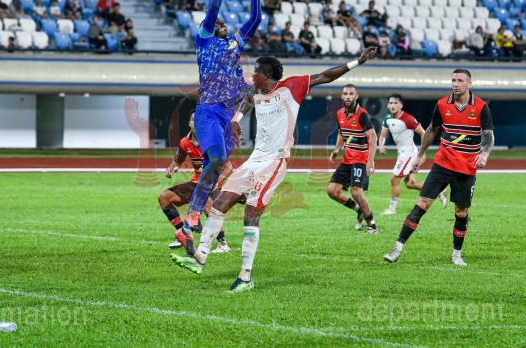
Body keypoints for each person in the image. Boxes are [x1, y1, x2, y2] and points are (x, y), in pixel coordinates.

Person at [171, 48, 378, 292]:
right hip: (255, 159)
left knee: (251, 214)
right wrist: (236, 120)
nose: (252, 75)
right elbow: (247, 100)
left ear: (266, 75)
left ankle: (245, 277)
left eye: (256, 72)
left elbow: (325, 75)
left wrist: (357, 61)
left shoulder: (292, 87)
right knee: (219, 203)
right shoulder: (256, 92)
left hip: (275, 160)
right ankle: (199, 257)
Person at [174, 0, 262, 255]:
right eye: (218, 25)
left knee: (217, 167)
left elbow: (255, 20)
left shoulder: (234, 44)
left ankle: (190, 223)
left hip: (226, 116)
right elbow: (212, 10)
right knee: (218, 160)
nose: (221, 26)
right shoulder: (204, 41)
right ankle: (193, 213)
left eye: (224, 25)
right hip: (208, 111)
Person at [384, 69, 494, 266]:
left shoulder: (480, 106)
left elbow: (488, 135)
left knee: (461, 212)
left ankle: (456, 254)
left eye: (460, 80)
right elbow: (431, 130)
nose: (455, 84)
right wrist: (420, 155)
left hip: (466, 168)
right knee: (422, 204)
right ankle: (397, 248)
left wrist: (485, 153)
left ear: (469, 84)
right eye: (453, 80)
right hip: (442, 164)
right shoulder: (442, 104)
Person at [160, 112, 234, 252]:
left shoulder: (212, 141)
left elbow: (229, 167)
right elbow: (178, 160)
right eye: (194, 119)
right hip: (196, 183)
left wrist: (215, 183)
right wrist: (172, 168)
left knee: (207, 204)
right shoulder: (185, 142)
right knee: (164, 197)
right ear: (189, 123)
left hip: (212, 183)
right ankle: (184, 235)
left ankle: (222, 243)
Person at [378, 94, 447, 215]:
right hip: (403, 153)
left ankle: (392, 209)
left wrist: (422, 152)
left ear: (401, 105)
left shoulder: (408, 119)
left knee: (394, 179)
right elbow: (383, 135)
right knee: (410, 183)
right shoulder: (387, 118)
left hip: (409, 153)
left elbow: (423, 133)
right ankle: (438, 190)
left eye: (396, 103)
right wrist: (381, 145)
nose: (393, 105)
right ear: (387, 105)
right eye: (391, 103)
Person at [327, 84, 379, 233]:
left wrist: (370, 161)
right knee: (332, 191)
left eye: (351, 94)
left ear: (356, 96)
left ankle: (372, 225)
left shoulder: (362, 114)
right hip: (347, 159)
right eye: (345, 94)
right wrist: (336, 149)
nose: (348, 96)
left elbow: (373, 137)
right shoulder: (340, 113)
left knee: (355, 192)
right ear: (342, 96)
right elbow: (341, 132)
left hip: (360, 160)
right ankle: (359, 211)